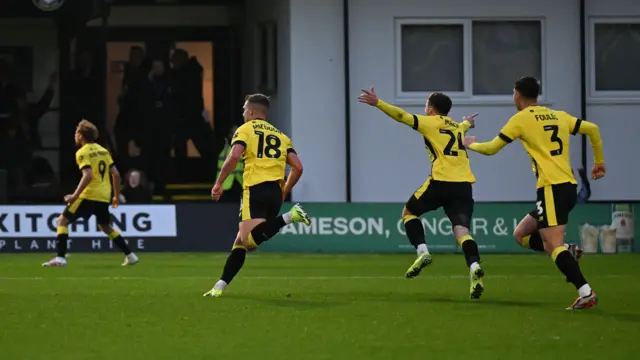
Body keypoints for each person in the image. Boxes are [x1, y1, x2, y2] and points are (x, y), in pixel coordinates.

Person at [464, 76, 605, 310]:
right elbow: (592, 129)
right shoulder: (557, 115)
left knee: (553, 244)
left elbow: (491, 149)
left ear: (517, 95)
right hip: (565, 186)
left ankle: (586, 292)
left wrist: (470, 145)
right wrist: (598, 162)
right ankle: (569, 252)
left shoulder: (520, 119)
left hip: (552, 187)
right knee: (521, 235)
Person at [358, 87, 485, 299]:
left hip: (440, 182)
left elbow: (402, 116)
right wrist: (468, 122)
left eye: (426, 105)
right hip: (463, 185)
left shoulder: (430, 122)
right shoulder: (457, 127)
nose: (425, 109)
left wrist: (378, 102)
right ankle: (473, 266)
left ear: (432, 110)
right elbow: (462, 126)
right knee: (462, 230)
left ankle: (422, 251)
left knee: (409, 213)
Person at [203, 94, 311, 297]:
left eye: (244, 109)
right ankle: (219, 286)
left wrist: (218, 183)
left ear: (252, 111)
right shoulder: (281, 136)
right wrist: (284, 191)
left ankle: (290, 216)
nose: (243, 112)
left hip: (255, 189)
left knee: (248, 241)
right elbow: (298, 167)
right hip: (275, 193)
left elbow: (234, 156)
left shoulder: (245, 130)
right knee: (241, 242)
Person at [42, 120, 139, 267]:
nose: (75, 135)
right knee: (106, 227)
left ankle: (60, 258)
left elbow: (88, 175)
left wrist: (74, 196)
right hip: (104, 195)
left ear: (81, 136)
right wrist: (115, 195)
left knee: (62, 221)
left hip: (88, 195)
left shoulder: (82, 152)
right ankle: (130, 256)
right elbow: (116, 174)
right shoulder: (103, 151)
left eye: (76, 133)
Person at [217, 125, 244, 202]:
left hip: (239, 183)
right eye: (234, 133)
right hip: (225, 185)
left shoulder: (244, 146)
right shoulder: (223, 145)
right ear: (230, 135)